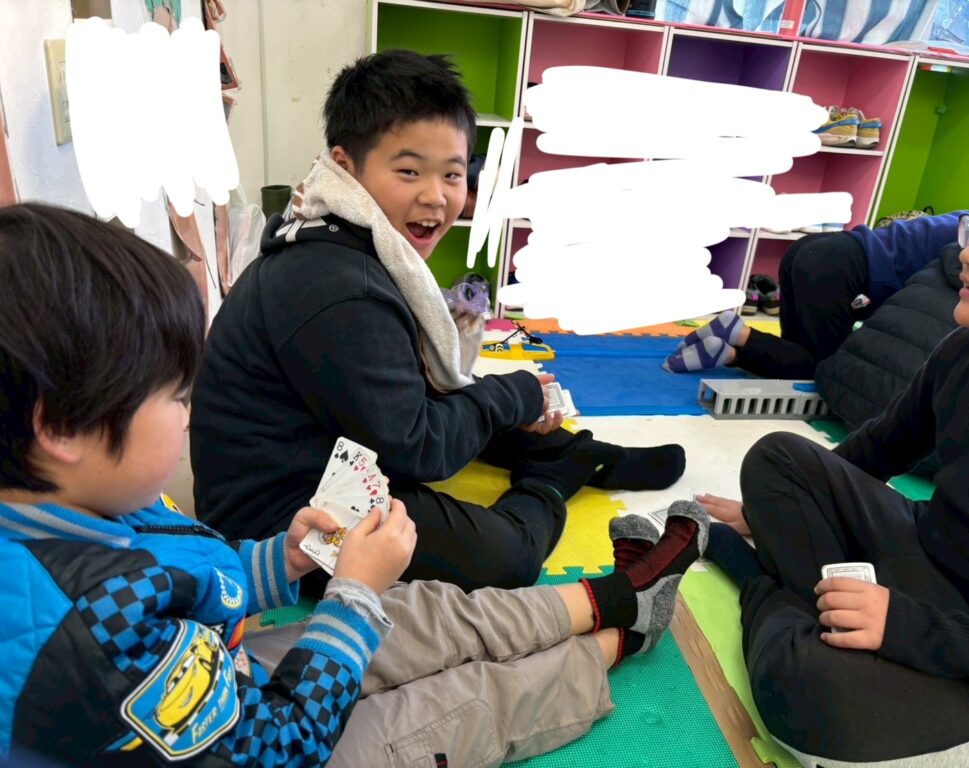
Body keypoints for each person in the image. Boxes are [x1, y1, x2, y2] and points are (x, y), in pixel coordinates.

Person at [0, 202, 711, 766]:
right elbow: (283, 746)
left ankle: (624, 597)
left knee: (423, 609)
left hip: (217, 673)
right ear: (61, 427)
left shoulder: (77, 503)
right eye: (175, 396)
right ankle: (622, 640)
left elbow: (185, 574)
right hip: (264, 742)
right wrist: (353, 595)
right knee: (461, 703)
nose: (190, 414)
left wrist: (281, 560)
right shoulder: (86, 627)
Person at [189, 49, 685, 594]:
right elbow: (419, 448)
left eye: (452, 174)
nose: (436, 196)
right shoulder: (342, 288)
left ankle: (582, 452)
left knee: (466, 400)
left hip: (334, 444)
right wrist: (516, 393)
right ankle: (555, 475)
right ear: (345, 166)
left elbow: (413, 398)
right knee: (508, 556)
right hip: (282, 518)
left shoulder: (346, 241)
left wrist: (511, 399)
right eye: (409, 171)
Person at [696, 140, 969, 766]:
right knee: (779, 458)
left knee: (815, 692)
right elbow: (876, 448)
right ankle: (820, 613)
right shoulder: (968, 350)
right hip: (925, 553)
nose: (965, 252)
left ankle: (760, 583)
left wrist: (904, 627)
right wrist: (769, 509)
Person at [664, 210, 962, 379]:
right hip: (835, 269)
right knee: (822, 370)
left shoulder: (962, 220)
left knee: (796, 353)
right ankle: (733, 346)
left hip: (815, 248)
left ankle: (730, 333)